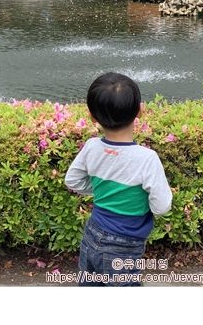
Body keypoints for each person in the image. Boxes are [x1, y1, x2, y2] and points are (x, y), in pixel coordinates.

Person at [65, 72, 173, 286]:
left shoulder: (92, 147)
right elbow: (162, 206)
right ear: (140, 111)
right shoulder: (146, 159)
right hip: (125, 243)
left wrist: (101, 189)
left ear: (92, 117)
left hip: (93, 232)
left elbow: (73, 181)